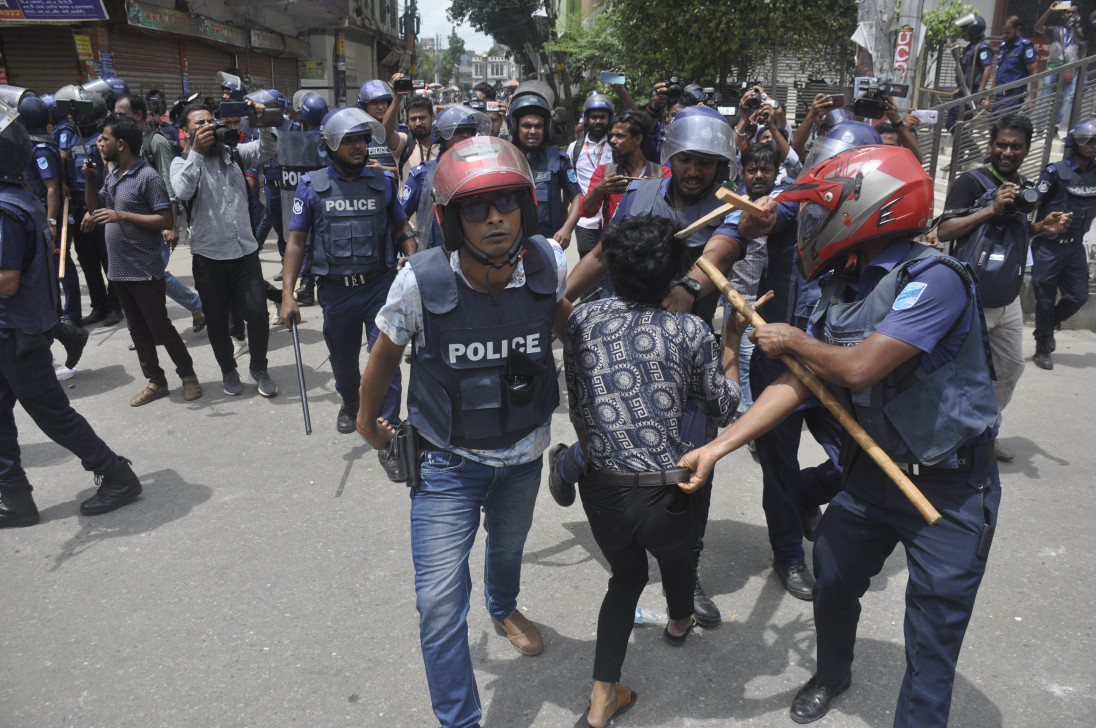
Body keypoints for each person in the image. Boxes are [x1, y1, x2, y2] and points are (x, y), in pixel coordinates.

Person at [679, 144, 1001, 727]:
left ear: (870, 207)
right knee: (832, 577)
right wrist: (716, 448)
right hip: (871, 476)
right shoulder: (843, 287)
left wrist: (794, 340)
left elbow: (857, 368)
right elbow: (799, 385)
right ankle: (832, 673)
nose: (810, 223)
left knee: (932, 637)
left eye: (821, 209)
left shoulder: (936, 279)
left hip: (949, 491)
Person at [354, 135, 571, 728]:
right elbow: (383, 356)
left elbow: (566, 329)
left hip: (523, 456)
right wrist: (367, 421)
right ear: (451, 221)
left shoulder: (550, 263)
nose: (495, 218)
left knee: (507, 548)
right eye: (477, 208)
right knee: (439, 604)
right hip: (446, 463)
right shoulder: (418, 283)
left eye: (506, 203)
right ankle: (460, 721)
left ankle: (504, 608)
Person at [556, 110, 747, 629]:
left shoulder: (731, 204)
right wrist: (561, 297)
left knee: (693, 464)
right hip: (621, 344)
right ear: (671, 158)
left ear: (720, 167)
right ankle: (575, 462)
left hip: (685, 350)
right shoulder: (641, 195)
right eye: (686, 159)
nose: (694, 170)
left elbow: (720, 250)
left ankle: (687, 566)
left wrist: (684, 292)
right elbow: (603, 253)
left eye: (707, 163)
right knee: (610, 436)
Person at [566, 214, 742, 728]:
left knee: (624, 579)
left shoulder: (580, 319)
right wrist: (731, 344)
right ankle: (680, 619)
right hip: (667, 494)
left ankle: (601, 699)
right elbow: (724, 407)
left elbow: (579, 398)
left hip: (601, 490)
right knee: (678, 555)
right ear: (671, 275)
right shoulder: (690, 331)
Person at [0, 99, 145, 528]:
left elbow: (6, 280)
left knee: (52, 414)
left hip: (16, 334)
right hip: (15, 330)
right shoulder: (17, 198)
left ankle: (116, 473)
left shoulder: (6, 209)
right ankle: (16, 499)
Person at [730, 141, 845, 599]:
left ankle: (803, 494)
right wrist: (754, 215)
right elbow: (760, 220)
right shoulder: (792, 207)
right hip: (777, 363)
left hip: (837, 361)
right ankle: (788, 555)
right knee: (778, 466)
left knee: (850, 459)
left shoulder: (868, 224)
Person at [937, 114, 1066, 457]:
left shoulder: (1025, 184)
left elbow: (1010, 236)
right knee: (959, 373)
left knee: (1010, 367)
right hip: (971, 295)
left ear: (1026, 149)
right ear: (991, 145)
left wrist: (1041, 228)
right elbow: (944, 231)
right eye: (1002, 144)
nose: (1007, 152)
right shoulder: (971, 180)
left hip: (1007, 298)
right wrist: (991, 209)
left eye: (1016, 146)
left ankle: (982, 431)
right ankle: (946, 440)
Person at [280, 108, 414, 433]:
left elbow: (402, 229)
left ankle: (388, 422)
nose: (357, 146)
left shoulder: (382, 182)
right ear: (328, 145)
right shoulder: (311, 186)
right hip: (335, 291)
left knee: (385, 357)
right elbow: (296, 242)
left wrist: (412, 261)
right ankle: (351, 400)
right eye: (348, 140)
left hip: (379, 287)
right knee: (342, 359)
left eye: (361, 140)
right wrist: (288, 295)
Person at [84, 114, 202, 406]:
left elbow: (164, 218)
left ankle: (188, 376)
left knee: (159, 326)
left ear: (121, 144)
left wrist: (120, 215)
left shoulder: (147, 177)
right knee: (137, 331)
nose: (101, 143)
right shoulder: (112, 177)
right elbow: (96, 207)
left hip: (144, 270)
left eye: (105, 139)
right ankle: (156, 381)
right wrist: (89, 180)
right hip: (119, 271)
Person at [170, 102, 279, 397]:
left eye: (210, 122)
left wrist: (261, 120)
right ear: (187, 132)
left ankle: (259, 367)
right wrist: (197, 152)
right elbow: (182, 191)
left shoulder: (234, 154)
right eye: (199, 125)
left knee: (257, 314)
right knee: (217, 321)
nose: (207, 128)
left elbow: (267, 149)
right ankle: (228, 371)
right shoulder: (181, 163)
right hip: (209, 258)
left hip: (245, 254)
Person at [113, 94, 205, 334]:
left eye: (123, 115)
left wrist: (170, 225)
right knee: (152, 276)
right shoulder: (124, 145)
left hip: (157, 223)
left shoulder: (156, 143)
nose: (117, 120)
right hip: (135, 225)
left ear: (139, 115)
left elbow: (170, 186)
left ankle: (160, 324)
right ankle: (191, 310)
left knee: (152, 276)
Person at [55, 84, 124, 327]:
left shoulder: (102, 140)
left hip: (100, 206)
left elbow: (110, 177)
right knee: (87, 259)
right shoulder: (72, 135)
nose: (71, 116)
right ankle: (99, 306)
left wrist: (96, 211)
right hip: (76, 206)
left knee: (108, 259)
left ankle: (116, 306)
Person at [1030, 118, 1096, 370]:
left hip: (1074, 247)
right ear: (1075, 143)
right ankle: (1043, 347)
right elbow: (1034, 203)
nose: (1093, 146)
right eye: (1088, 141)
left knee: (1078, 296)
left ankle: (1046, 328)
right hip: (1048, 246)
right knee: (1044, 299)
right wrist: (1028, 231)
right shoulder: (1055, 172)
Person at [398, 106, 492, 251]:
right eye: (458, 131)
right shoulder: (423, 175)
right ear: (441, 137)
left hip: (476, 259)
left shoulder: (485, 171)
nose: (466, 135)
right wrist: (411, 252)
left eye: (471, 131)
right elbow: (399, 220)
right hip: (434, 260)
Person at [506, 92, 584, 245]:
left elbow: (577, 197)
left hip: (548, 245)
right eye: (526, 126)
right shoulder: (503, 160)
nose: (533, 131)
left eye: (539, 126)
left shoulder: (558, 160)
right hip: (511, 244)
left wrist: (566, 229)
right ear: (515, 128)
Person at [567, 93, 614, 256]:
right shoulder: (575, 148)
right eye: (594, 117)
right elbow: (569, 186)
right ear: (586, 119)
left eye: (603, 117)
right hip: (585, 221)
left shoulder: (617, 146)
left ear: (610, 119)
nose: (598, 121)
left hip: (613, 219)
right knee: (588, 272)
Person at [1036, 2, 1087, 130]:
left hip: (1070, 70)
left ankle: (1055, 127)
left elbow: (1082, 55)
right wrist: (1049, 11)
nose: (1070, 14)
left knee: (1065, 100)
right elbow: (1038, 27)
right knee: (1045, 97)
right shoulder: (1055, 30)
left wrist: (1080, 76)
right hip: (1052, 68)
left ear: (1078, 15)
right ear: (1063, 15)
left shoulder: (1080, 33)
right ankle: (1040, 127)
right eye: (1067, 12)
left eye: (1073, 12)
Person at [990, 17, 1038, 112]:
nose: (1004, 35)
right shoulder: (1003, 47)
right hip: (999, 96)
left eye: (1008, 33)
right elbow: (998, 72)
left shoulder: (1025, 46)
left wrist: (1032, 100)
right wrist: (988, 98)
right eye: (1002, 33)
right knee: (994, 124)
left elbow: (1034, 72)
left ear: (1017, 29)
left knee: (1001, 124)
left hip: (1013, 96)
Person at [400, 96, 437, 180]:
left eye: (422, 118)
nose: (418, 123)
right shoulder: (403, 143)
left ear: (432, 117)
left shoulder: (443, 144)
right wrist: (397, 98)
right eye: (413, 119)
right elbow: (387, 132)